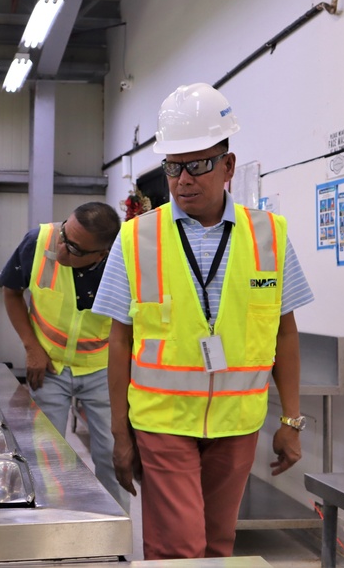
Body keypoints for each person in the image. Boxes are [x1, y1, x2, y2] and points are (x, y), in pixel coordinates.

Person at [93, 83, 314, 558]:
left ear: (228, 166)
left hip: (237, 424)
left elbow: (284, 331)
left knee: (217, 546)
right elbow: (118, 340)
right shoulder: (135, 239)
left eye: (198, 164)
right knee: (180, 547)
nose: (183, 180)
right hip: (163, 420)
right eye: (173, 167)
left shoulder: (268, 237)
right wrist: (119, 433)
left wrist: (291, 419)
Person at [0, 201, 130, 511]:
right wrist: (32, 347)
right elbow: (11, 291)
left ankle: (114, 527)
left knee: (113, 454)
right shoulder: (37, 242)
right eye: (64, 234)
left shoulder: (124, 264)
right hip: (49, 367)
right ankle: (50, 521)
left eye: (74, 248)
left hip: (101, 369)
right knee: (45, 453)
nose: (62, 247)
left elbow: (131, 326)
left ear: (101, 255)